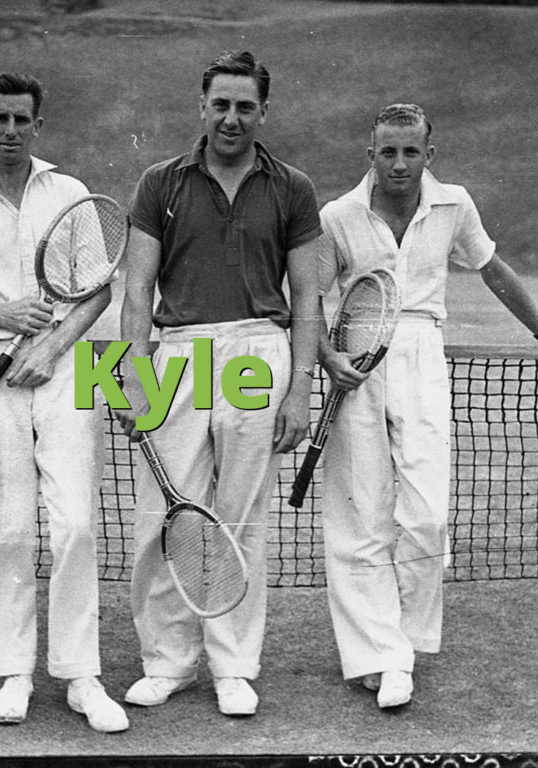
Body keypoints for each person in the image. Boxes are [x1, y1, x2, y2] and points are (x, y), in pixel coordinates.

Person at [315, 103, 538, 709]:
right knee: (361, 516)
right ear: (370, 154)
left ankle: (402, 645)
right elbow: (307, 299)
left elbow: (492, 269)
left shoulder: (455, 205)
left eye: (410, 151)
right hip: (356, 362)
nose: (399, 163)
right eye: (388, 151)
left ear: (429, 153)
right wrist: (327, 356)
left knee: (426, 516)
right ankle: (379, 655)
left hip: (423, 354)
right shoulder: (338, 216)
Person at [116, 50, 322, 718]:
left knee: (240, 520)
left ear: (264, 111)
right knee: (164, 516)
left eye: (245, 107)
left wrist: (300, 390)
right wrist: (134, 377)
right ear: (202, 107)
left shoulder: (293, 187)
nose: (232, 118)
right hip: (178, 355)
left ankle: (234, 667)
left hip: (260, 353)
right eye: (221, 105)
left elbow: (308, 297)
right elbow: (137, 292)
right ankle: (166, 663)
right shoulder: (159, 183)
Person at [0, 72, 128, 734]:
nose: (10, 130)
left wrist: (53, 345)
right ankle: (12, 671)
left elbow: (97, 290)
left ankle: (80, 674)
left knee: (75, 523)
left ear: (37, 126)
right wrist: (4, 316)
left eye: (21, 120)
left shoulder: (70, 194)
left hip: (67, 365)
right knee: (6, 523)